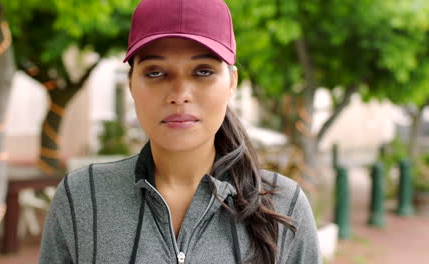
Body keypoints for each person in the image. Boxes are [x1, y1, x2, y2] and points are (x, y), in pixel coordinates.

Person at [39, 0, 322, 263]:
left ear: (232, 82)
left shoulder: (284, 205)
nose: (179, 94)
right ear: (131, 84)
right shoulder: (83, 197)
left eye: (202, 71)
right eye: (155, 72)